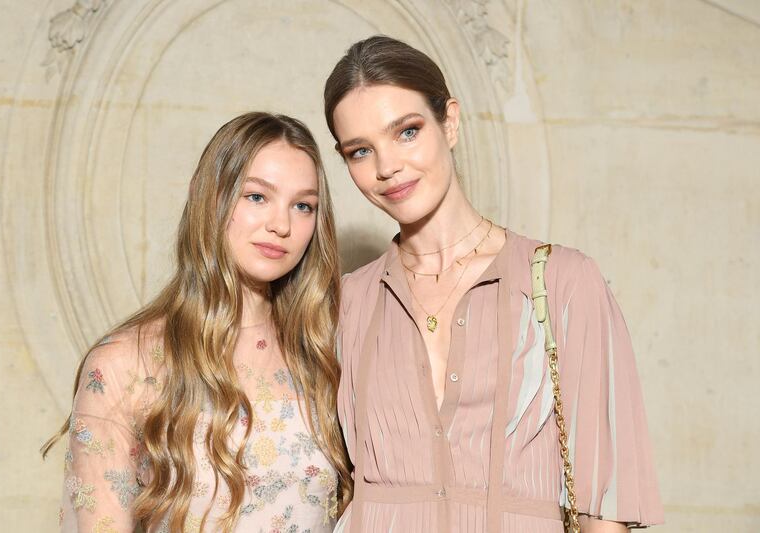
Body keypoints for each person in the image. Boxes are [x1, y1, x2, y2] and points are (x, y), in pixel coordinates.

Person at [323, 36, 663, 533]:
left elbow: (604, 510)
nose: (386, 167)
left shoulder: (562, 282)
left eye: (407, 132)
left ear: (450, 121)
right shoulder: (347, 303)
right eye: (360, 151)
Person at [42, 112, 352, 532]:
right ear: (208, 197)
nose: (281, 225)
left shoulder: (326, 354)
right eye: (256, 196)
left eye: (303, 206)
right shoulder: (124, 364)